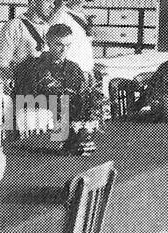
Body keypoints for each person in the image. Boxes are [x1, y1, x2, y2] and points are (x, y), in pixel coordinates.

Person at [11, 23, 102, 153]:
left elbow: (82, 99)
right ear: (48, 43)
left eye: (67, 45)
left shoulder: (74, 69)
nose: (63, 50)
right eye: (59, 44)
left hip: (71, 129)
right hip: (42, 129)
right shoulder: (33, 67)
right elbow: (24, 99)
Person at [0, 0, 56, 77]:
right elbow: (0, 65)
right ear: (34, 1)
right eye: (48, 0)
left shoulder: (47, 28)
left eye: (53, 2)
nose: (52, 5)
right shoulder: (14, 26)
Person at [51, 0, 96, 77]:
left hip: (85, 70)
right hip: (68, 72)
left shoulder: (84, 15)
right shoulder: (61, 15)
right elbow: (52, 46)